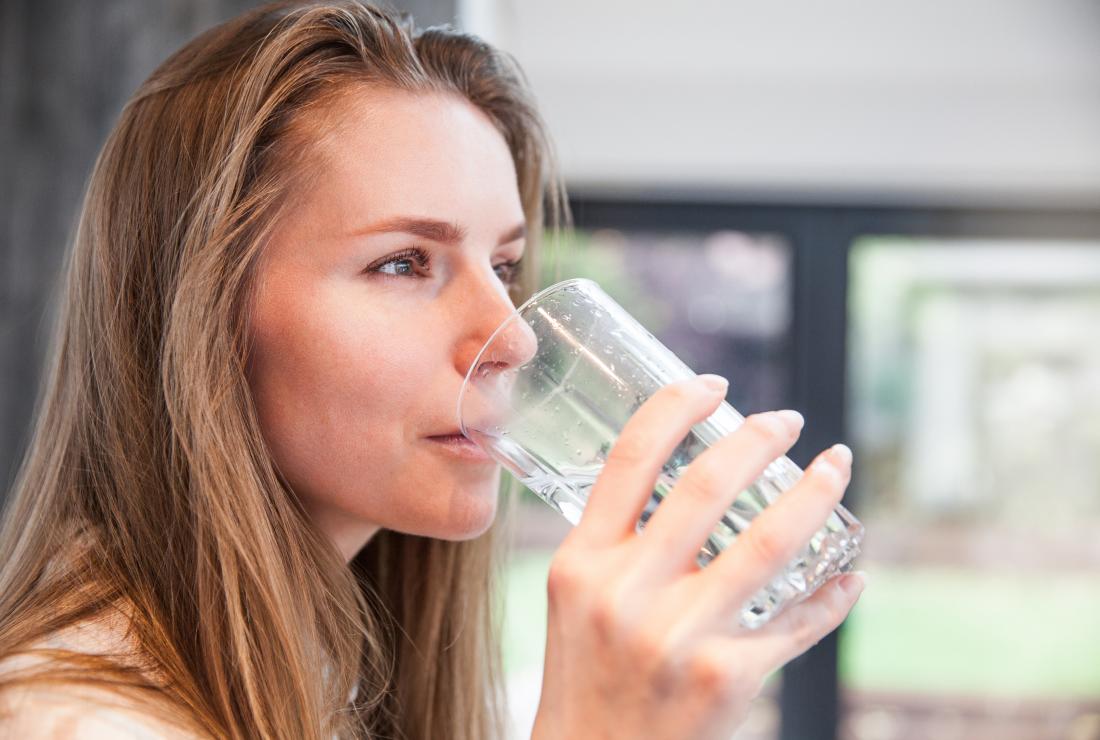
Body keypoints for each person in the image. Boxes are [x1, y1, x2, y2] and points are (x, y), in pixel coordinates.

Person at [0, 1, 865, 738]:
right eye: (405, 263)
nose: (514, 339)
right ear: (200, 315)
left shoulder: (319, 687)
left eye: (508, 268)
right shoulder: (70, 719)